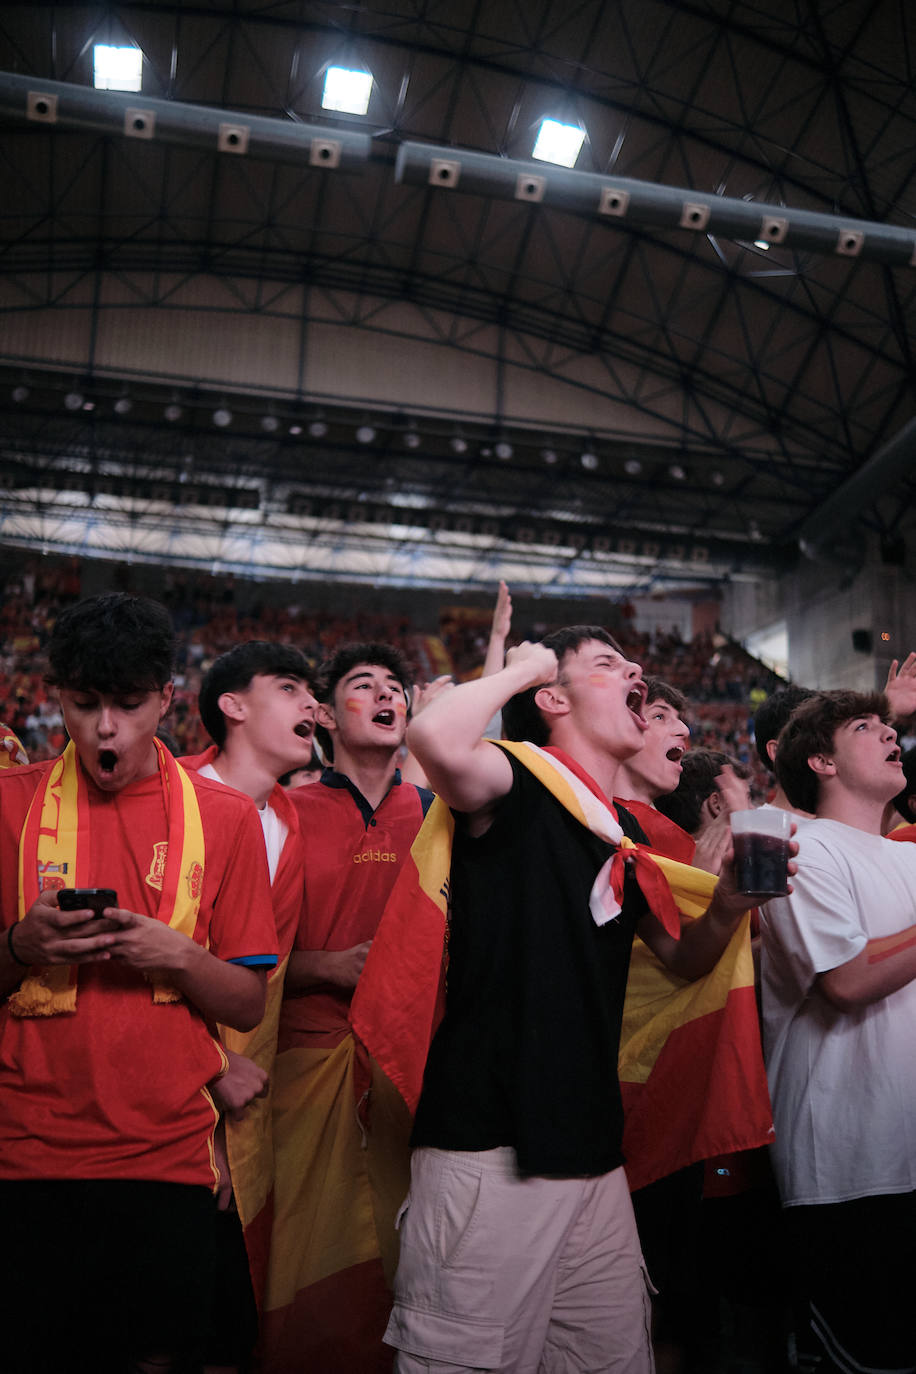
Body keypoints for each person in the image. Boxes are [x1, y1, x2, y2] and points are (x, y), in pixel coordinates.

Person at [384, 627, 773, 1374]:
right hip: (490, 1146)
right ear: (553, 699)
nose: (634, 669)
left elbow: (683, 959)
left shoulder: (618, 827)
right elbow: (432, 732)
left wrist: (726, 906)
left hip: (592, 1153)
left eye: (630, 662)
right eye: (607, 664)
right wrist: (524, 665)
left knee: (612, 1359)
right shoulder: (516, 776)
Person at [0, 593, 277, 1374]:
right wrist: (22, 944)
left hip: (166, 1159)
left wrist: (177, 956)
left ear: (168, 699)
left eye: (128, 705)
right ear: (55, 696)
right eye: (85, 705)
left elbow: (247, 1003)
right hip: (24, 1157)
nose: (106, 730)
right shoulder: (8, 804)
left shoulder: (224, 819)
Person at [262, 643, 433, 1374]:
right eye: (364, 685)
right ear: (326, 714)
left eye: (395, 686)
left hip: (412, 1063)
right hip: (307, 1064)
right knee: (311, 1254)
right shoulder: (285, 812)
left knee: (413, 1257)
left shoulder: (433, 812)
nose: (386, 694)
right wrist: (328, 966)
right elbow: (238, 958)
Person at [760, 689, 916, 1373]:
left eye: (891, 727)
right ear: (820, 760)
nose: (890, 734)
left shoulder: (910, 857)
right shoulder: (801, 847)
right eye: (866, 725)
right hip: (851, 1170)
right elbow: (847, 981)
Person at [184, 640, 319, 1372]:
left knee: (225, 1333)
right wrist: (209, 1067)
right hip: (158, 1117)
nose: (313, 703)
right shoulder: (166, 799)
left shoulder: (288, 822)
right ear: (232, 706)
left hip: (242, 1121)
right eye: (291, 687)